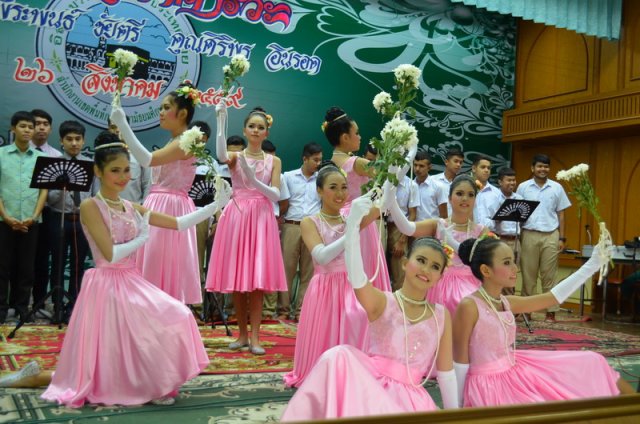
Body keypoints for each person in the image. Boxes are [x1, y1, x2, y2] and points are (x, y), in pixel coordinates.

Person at [35, 133, 226, 407]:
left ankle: (150, 381)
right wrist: (141, 238)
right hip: (106, 283)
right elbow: (110, 255)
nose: (123, 176)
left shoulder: (130, 206)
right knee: (125, 340)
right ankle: (137, 384)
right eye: (115, 170)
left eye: (126, 170)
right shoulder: (91, 206)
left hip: (131, 279)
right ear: (98, 172)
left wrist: (214, 206)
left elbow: (179, 223)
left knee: (179, 314)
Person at [281, 196, 458, 421]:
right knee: (338, 355)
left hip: (414, 400)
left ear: (440, 276)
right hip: (372, 389)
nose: (426, 269)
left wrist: (455, 415)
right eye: (421, 260)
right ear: (405, 263)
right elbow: (357, 277)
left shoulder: (441, 315)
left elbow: (446, 373)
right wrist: (353, 225)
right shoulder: (383, 302)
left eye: (435, 267)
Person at [453, 237, 635, 407]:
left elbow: (553, 298)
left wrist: (592, 264)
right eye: (507, 263)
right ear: (486, 270)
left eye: (513, 261)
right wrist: (457, 407)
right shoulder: (469, 306)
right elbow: (460, 360)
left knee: (593, 361)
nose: (515, 269)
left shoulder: (506, 302)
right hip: (489, 384)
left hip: (513, 368)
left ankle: (634, 408)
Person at [283, 164, 379, 388]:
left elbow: (384, 200)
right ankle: (323, 375)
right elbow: (322, 257)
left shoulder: (349, 219)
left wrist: (395, 167)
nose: (340, 193)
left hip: (351, 284)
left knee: (357, 320)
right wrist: (353, 227)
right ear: (319, 190)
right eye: (333, 187)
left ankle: (350, 374)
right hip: (324, 286)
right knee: (325, 331)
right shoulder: (310, 222)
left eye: (344, 187)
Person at [110, 82, 203, 304]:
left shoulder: (186, 141)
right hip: (159, 203)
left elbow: (147, 160)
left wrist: (123, 126)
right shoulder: (174, 140)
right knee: (151, 262)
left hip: (172, 205)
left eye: (166, 107)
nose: (161, 112)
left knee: (164, 263)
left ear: (182, 113)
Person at [205, 104, 287, 355]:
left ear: (266, 133)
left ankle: (255, 337)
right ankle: (241, 335)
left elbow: (275, 194)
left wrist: (253, 180)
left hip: (262, 217)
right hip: (238, 216)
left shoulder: (274, 160)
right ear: (245, 129)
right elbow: (220, 155)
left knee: (257, 282)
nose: (255, 130)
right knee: (239, 280)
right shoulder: (235, 157)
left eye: (260, 127)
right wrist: (221, 122)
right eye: (251, 126)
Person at [384, 174, 486, 316]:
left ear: (475, 200)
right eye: (459, 193)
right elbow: (407, 227)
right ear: (449, 198)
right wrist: (391, 202)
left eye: (470, 195)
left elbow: (484, 260)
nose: (465, 198)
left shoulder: (481, 231)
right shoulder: (438, 225)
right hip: (438, 285)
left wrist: (451, 241)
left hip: (471, 286)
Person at [322, 106, 391, 292]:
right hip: (360, 220)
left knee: (342, 272)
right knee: (362, 270)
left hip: (335, 222)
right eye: (357, 133)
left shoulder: (328, 164)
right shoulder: (357, 163)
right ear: (345, 137)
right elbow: (388, 176)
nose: (360, 137)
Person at [0, 111, 47, 323]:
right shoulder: (1, 155)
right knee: (2, 266)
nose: (28, 130)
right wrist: (6, 217)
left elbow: (43, 191)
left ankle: (22, 308)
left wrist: (34, 216)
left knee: (27, 268)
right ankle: (1, 309)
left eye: (31, 127)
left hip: (31, 221)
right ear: (13, 129)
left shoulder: (40, 158)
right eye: (23, 126)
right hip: (4, 221)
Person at [516, 154, 571, 322]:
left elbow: (561, 214)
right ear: (532, 168)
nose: (543, 169)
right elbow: (517, 212)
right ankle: (526, 310)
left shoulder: (557, 188)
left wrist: (562, 238)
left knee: (550, 276)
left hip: (551, 235)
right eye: (539, 166)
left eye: (546, 166)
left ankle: (551, 311)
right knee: (528, 275)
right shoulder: (523, 187)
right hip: (529, 234)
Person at [47, 120, 93, 319]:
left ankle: (74, 303)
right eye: (69, 139)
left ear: (83, 141)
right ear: (61, 141)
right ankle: (57, 304)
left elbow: (95, 195)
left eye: (78, 139)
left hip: (82, 219)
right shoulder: (54, 163)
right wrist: (62, 184)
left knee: (78, 263)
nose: (74, 143)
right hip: (58, 217)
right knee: (57, 261)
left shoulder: (91, 165)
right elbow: (48, 198)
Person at [276, 142, 323, 321]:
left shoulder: (322, 179)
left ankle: (302, 310)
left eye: (320, 159)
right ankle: (283, 310)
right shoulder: (287, 176)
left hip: (313, 227)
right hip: (291, 226)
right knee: (286, 269)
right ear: (305, 159)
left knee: (309, 272)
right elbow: (282, 202)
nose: (318, 163)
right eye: (315, 159)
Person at [29, 109, 61, 320]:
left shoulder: (56, 156)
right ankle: (16, 303)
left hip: (47, 214)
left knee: (41, 260)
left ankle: (40, 301)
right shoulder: (16, 151)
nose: (41, 127)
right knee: (16, 261)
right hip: (18, 214)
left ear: (50, 128)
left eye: (45, 124)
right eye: (36, 124)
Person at [106, 116, 151, 203]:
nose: (118, 130)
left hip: (134, 212)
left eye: (121, 126)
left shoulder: (140, 155)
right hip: (107, 211)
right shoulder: (102, 156)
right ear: (108, 129)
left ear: (128, 128)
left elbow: (147, 185)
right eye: (113, 127)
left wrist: (143, 210)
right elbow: (96, 189)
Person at [386, 173, 419, 290]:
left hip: (399, 229)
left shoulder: (411, 185)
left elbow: (413, 214)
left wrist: (402, 239)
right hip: (382, 226)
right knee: (381, 268)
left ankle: (398, 304)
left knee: (399, 271)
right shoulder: (384, 180)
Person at [491, 167, 523, 263]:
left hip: (516, 241)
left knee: (514, 271)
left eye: (513, 180)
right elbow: (490, 219)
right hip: (500, 239)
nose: (512, 183)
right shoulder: (493, 197)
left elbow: (522, 221)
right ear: (500, 182)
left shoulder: (519, 198)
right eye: (509, 180)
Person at [414, 150, 446, 221]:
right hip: (411, 230)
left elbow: (444, 216)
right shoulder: (409, 186)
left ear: (429, 167)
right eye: (415, 165)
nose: (417, 169)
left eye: (421, 166)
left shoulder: (438, 186)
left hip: (432, 230)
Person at [471, 154, 501, 228]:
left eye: (488, 168)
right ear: (474, 168)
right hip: (467, 233)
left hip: (489, 235)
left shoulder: (496, 192)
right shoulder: (465, 188)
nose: (486, 170)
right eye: (483, 167)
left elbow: (499, 218)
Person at [433, 148, 464, 218]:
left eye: (461, 162)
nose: (458, 165)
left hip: (455, 225)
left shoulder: (463, 184)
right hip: (434, 224)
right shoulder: (433, 180)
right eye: (456, 161)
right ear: (446, 162)